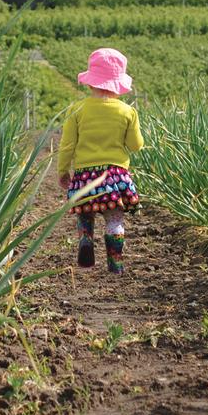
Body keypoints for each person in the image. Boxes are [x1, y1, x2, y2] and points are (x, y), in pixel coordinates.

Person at [58, 48, 145, 273]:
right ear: (119, 85)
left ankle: (86, 239)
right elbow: (135, 145)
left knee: (85, 213)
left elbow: (67, 146)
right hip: (115, 177)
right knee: (114, 219)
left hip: (85, 176)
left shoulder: (77, 111)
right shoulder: (128, 112)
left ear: (90, 82)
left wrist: (63, 171)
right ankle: (115, 262)